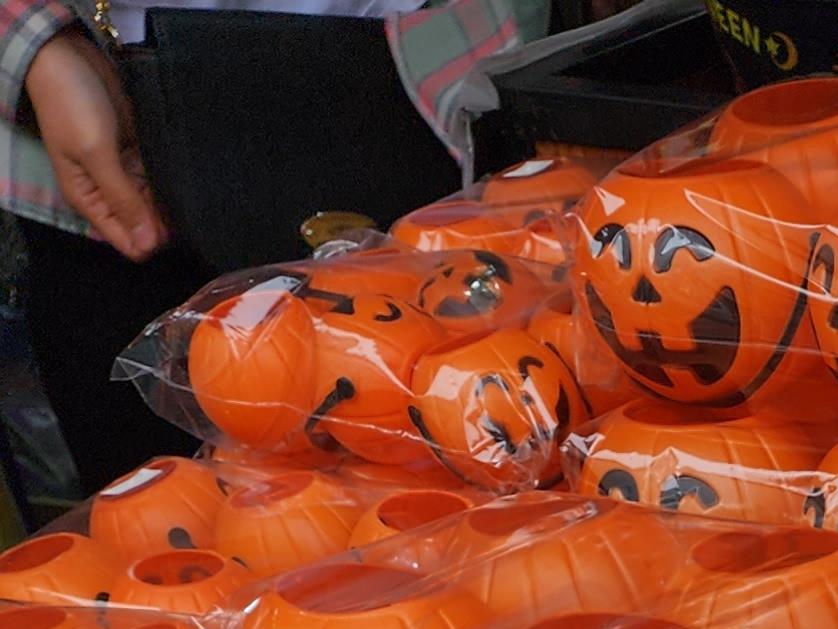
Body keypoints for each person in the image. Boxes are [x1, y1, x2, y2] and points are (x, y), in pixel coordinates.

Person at [0, 0, 537, 488]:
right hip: (112, 137)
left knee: (498, 483)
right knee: (169, 527)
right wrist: (35, 42)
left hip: (438, 86)